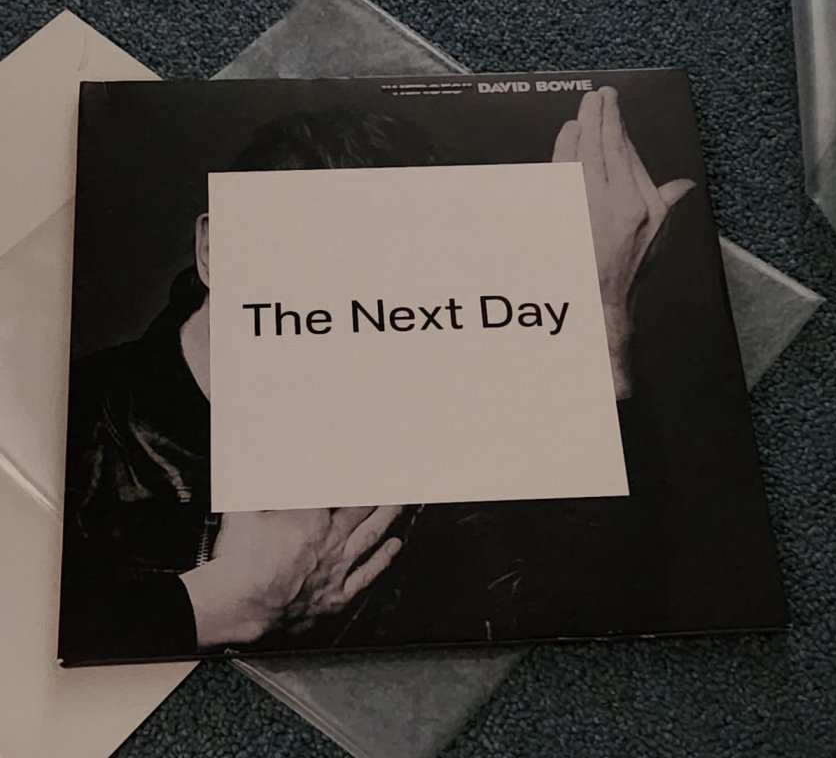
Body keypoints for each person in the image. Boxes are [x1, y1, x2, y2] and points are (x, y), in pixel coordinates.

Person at [59, 85, 693, 663]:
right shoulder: (69, 422)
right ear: (213, 250)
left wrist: (598, 332)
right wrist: (212, 608)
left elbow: (611, 622)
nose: (363, 317)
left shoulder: (442, 426)